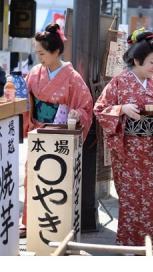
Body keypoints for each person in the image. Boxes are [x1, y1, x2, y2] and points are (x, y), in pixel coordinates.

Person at [93, 28, 153, 249]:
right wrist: (121, 108)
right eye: (151, 62)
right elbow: (100, 109)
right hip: (128, 149)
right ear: (136, 59)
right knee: (131, 198)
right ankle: (128, 243)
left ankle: (152, 244)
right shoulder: (120, 81)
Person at [19, 22, 94, 237]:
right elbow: (28, 101)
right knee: (32, 176)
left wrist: (77, 113)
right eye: (37, 53)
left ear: (56, 51)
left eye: (42, 53)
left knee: (58, 179)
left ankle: (57, 224)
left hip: (61, 134)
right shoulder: (34, 73)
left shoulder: (72, 77)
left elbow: (85, 104)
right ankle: (28, 222)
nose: (39, 58)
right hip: (39, 132)